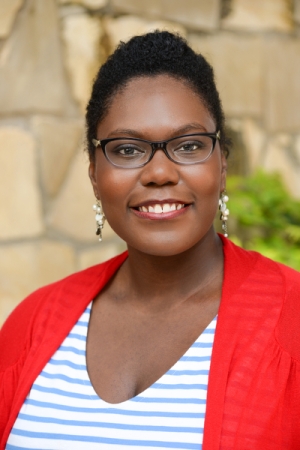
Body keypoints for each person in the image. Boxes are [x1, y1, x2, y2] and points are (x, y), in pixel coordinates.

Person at [0, 31, 300, 450]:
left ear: (223, 164)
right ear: (94, 174)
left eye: (189, 144)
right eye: (127, 149)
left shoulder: (293, 322)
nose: (159, 172)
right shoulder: (31, 324)